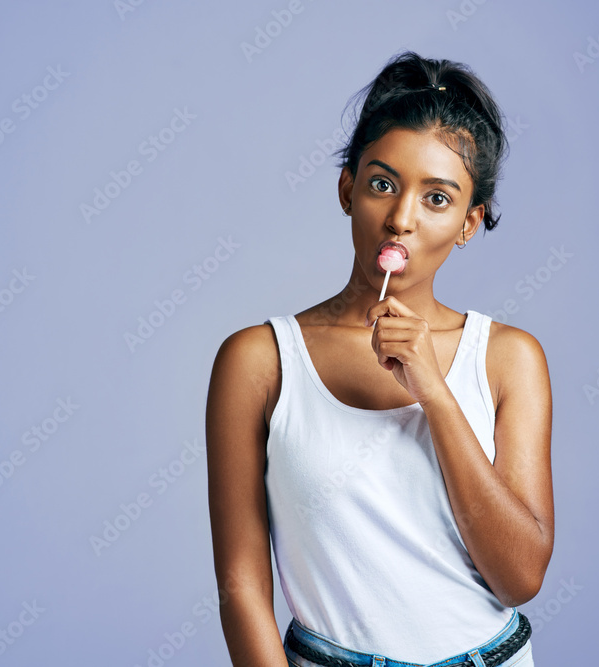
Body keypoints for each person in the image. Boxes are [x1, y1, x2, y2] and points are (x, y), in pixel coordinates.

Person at [205, 50, 554, 667]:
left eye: (437, 199)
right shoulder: (259, 361)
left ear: (470, 223)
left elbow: (520, 577)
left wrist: (435, 394)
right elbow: (242, 585)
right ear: (347, 188)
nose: (400, 219)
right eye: (382, 184)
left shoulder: (508, 358)